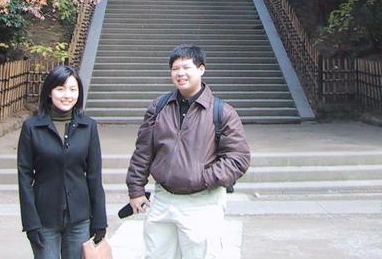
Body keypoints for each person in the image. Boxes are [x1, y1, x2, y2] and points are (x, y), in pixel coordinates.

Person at [126, 44, 251, 259]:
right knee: (157, 254)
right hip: (163, 199)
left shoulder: (222, 112)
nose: (180, 73)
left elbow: (238, 158)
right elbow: (143, 151)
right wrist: (136, 190)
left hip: (202, 202)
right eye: (175, 68)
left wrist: (203, 177)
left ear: (201, 69)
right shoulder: (159, 107)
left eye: (186, 67)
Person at [17, 66, 107, 259]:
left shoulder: (88, 126)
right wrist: (30, 222)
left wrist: (100, 219)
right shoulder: (32, 127)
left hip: (80, 217)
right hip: (44, 217)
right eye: (61, 89)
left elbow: (94, 175)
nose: (67, 95)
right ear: (50, 92)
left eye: (73, 89)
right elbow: (24, 177)